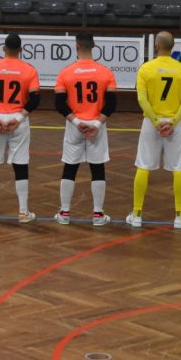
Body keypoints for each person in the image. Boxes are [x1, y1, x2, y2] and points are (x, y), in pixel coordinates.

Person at [128, 31, 181, 229]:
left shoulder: (145, 68)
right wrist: (173, 121)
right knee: (179, 168)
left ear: (157, 45)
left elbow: (142, 99)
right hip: (175, 124)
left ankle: (137, 214)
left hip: (151, 123)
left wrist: (156, 121)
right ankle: (180, 216)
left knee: (143, 166)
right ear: (172, 47)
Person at [53, 32, 118, 227]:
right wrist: (96, 124)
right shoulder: (106, 72)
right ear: (94, 45)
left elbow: (59, 104)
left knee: (70, 167)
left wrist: (76, 122)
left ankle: (64, 212)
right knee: (97, 168)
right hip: (97, 126)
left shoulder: (66, 72)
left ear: (77, 46)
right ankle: (98, 215)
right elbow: (111, 104)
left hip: (75, 126)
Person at [0, 33, 41, 223]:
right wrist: (19, 118)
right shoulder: (29, 70)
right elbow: (35, 99)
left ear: (3, 48)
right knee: (20, 164)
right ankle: (23, 212)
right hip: (18, 121)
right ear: (21, 49)